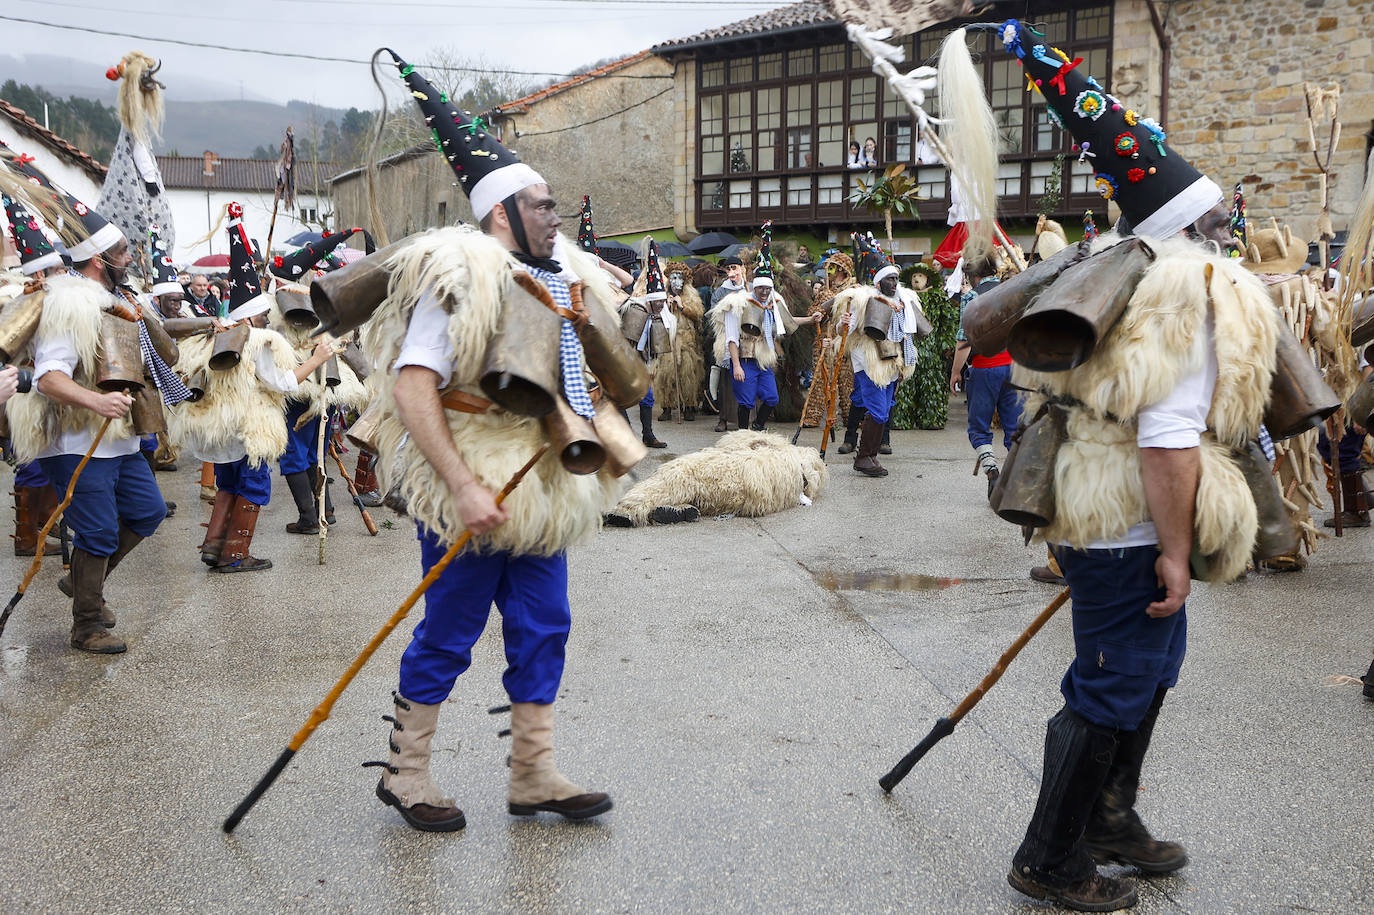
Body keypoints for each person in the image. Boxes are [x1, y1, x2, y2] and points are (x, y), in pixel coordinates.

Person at [967, 21, 1282, 911]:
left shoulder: (1133, 273)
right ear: (1194, 223)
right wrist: (1175, 553)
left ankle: (1110, 818)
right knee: (1111, 686)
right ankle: (1049, 857)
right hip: (1129, 525)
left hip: (1112, 518)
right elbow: (1168, 438)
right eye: (1221, 216)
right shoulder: (1188, 289)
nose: (1233, 226)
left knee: (1149, 672)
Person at [362, 50, 627, 832]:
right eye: (541, 205)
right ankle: (406, 774)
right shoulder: (459, 279)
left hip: (542, 486)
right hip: (470, 478)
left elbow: (593, 378)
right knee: (449, 628)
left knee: (546, 622)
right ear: (502, 212)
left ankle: (533, 773)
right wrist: (462, 484)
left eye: (552, 205)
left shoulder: (562, 277)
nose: (555, 216)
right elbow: (415, 388)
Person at [7, 194, 169, 653]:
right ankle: (88, 625)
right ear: (100, 260)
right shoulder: (68, 304)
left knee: (149, 512)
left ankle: (83, 582)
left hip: (117, 440)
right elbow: (48, 378)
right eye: (122, 255)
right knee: (97, 532)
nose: (130, 260)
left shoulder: (114, 299)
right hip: (77, 442)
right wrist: (96, 404)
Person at [168, 202, 333, 573]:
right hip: (248, 429)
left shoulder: (216, 331)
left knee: (227, 482)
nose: (268, 317)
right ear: (257, 312)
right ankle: (236, 555)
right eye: (265, 313)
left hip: (221, 427)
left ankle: (213, 547)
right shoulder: (257, 338)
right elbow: (284, 382)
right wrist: (318, 358)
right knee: (254, 485)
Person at [712, 224, 819, 433]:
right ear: (755, 286)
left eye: (767, 288)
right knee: (746, 402)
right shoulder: (739, 303)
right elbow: (732, 338)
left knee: (772, 397)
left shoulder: (774, 301)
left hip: (764, 360)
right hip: (744, 358)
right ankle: (743, 434)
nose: (763, 292)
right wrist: (736, 366)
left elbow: (788, 322)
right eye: (760, 288)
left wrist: (811, 319)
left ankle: (758, 426)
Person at [844, 245, 925, 477]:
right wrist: (843, 322)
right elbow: (846, 331)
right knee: (878, 411)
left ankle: (870, 456)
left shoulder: (903, 303)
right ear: (878, 283)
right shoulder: (864, 301)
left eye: (896, 279)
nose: (894, 283)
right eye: (889, 279)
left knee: (885, 411)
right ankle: (863, 458)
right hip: (869, 366)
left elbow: (906, 336)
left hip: (891, 365)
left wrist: (902, 364)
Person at [96, 51, 175, 281]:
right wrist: (150, 181)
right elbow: (139, 153)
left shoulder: (134, 131)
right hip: (135, 192)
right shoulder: (133, 131)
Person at [949, 248, 1020, 496]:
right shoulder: (1010, 290)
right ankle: (1016, 479)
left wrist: (955, 372)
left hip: (984, 368)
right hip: (1013, 367)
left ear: (972, 276)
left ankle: (992, 471)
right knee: (1014, 428)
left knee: (979, 428)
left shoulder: (971, 298)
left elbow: (963, 341)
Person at [710, 255, 747, 431]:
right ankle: (723, 419)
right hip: (726, 336)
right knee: (726, 381)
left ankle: (746, 419)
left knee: (747, 378)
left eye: (734, 267)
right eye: (728, 268)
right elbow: (712, 313)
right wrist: (728, 301)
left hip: (748, 337)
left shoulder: (750, 288)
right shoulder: (720, 291)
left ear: (741, 268)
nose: (732, 271)